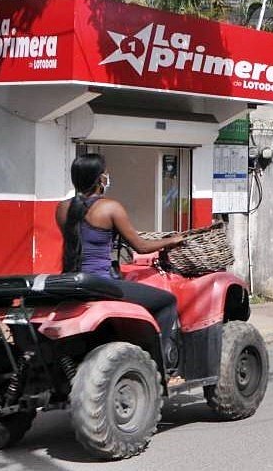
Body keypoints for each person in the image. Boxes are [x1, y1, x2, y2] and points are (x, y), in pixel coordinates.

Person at [56, 154, 186, 380]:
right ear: (99, 178)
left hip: (71, 282)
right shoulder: (110, 208)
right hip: (102, 283)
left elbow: (80, 242)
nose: (107, 176)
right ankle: (165, 371)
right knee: (167, 302)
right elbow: (141, 246)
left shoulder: (62, 209)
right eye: (105, 172)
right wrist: (171, 241)